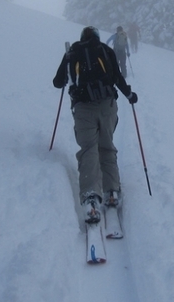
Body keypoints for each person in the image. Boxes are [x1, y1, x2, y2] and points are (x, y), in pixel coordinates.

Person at [53, 26, 138, 224]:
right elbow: (117, 78)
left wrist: (68, 68)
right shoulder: (104, 51)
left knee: (89, 149)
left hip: (83, 109)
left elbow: (58, 82)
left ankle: (91, 197)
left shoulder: (72, 52)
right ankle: (111, 191)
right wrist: (130, 95)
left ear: (82, 38)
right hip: (107, 106)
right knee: (106, 146)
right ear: (97, 38)